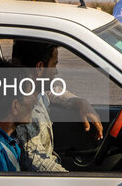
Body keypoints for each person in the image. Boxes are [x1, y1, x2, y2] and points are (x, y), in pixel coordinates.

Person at [12, 40, 103, 172]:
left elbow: (54, 92)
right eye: (54, 65)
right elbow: (37, 162)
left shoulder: (35, 92)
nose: (56, 72)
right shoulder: (24, 110)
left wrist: (81, 103)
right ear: (39, 68)